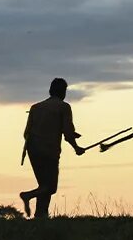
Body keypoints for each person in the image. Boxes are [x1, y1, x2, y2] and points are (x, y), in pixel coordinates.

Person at [20, 78, 86, 218]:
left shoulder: (36, 107)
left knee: (44, 185)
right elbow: (67, 133)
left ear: (50, 90)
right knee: (51, 187)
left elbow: (27, 132)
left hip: (32, 150)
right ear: (63, 92)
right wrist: (76, 147)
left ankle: (41, 215)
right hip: (49, 151)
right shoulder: (64, 107)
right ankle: (27, 196)